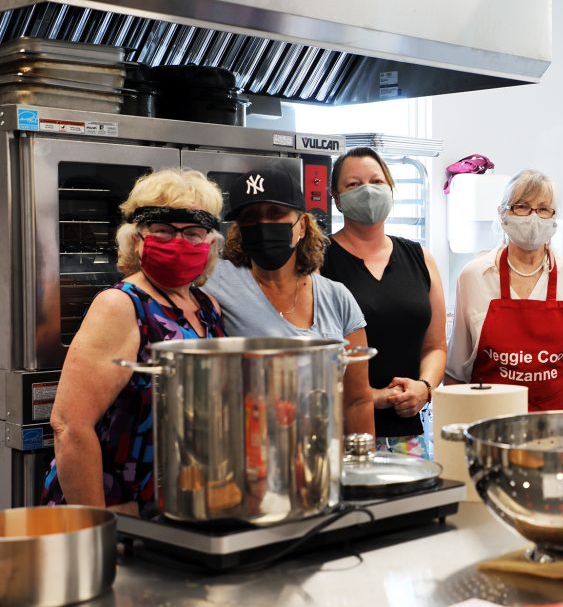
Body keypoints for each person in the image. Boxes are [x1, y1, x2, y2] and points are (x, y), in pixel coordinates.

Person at [43, 168, 227, 519]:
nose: (178, 242)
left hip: (180, 507)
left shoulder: (207, 308)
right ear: (137, 239)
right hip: (116, 510)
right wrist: (98, 526)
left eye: (192, 233)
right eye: (163, 230)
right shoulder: (121, 306)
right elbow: (70, 427)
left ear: (209, 243)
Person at [203, 165, 374, 436]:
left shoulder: (336, 297)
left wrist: (359, 473)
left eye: (276, 213)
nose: (263, 225)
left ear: (302, 225)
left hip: (318, 463)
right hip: (249, 464)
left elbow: (357, 400)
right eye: (250, 218)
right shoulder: (214, 283)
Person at [445, 169, 563, 410]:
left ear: (554, 218)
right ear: (502, 214)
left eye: (543, 209)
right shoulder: (473, 277)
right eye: (521, 206)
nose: (533, 217)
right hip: (492, 432)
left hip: (562, 433)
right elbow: (456, 374)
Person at [321, 148, 446, 440]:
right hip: (342, 430)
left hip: (410, 431)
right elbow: (311, 357)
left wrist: (424, 388)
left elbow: (436, 346)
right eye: (353, 185)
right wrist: (367, 396)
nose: (367, 191)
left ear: (391, 190)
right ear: (337, 199)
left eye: (377, 182)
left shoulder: (420, 258)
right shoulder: (317, 261)